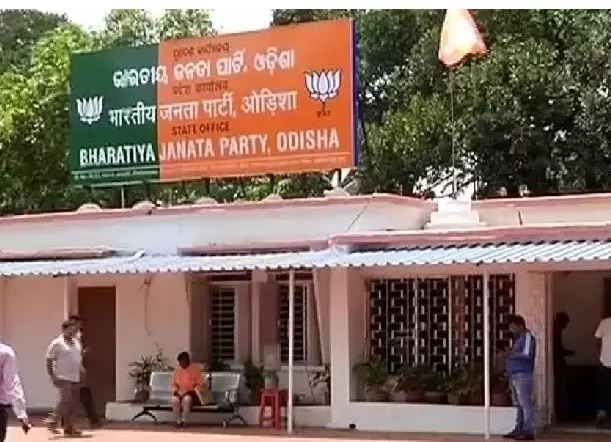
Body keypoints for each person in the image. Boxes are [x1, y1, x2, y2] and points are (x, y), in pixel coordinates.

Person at [45, 319, 83, 436]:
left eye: (74, 330)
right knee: (64, 400)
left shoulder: (76, 343)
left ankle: (69, 427)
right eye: (70, 329)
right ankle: (52, 421)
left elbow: (77, 358)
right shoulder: (57, 343)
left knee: (73, 404)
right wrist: (52, 376)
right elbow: (49, 359)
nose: (73, 332)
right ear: (64, 329)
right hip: (62, 376)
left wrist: (82, 370)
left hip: (75, 377)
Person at [504, 314, 536, 440]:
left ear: (520, 326)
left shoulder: (527, 337)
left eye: (513, 327)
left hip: (523, 374)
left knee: (525, 403)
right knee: (518, 404)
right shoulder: (519, 339)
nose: (511, 330)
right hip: (515, 374)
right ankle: (519, 428)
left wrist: (510, 354)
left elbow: (527, 354)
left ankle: (528, 430)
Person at [69, 315, 100, 428]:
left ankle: (93, 419)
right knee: (72, 396)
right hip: (71, 370)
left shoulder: (78, 335)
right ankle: (64, 421)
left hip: (78, 369)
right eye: (79, 323)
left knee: (83, 394)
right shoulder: (69, 337)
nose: (81, 325)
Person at [0, 342, 31, 442]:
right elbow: (11, 383)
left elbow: (11, 383)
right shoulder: (5, 352)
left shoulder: (5, 353)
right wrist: (21, 414)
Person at [171, 352, 203, 427]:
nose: (180, 364)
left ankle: (184, 420)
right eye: (179, 362)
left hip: (192, 394)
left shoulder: (195, 370)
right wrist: (176, 390)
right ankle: (178, 421)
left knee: (186, 400)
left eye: (182, 362)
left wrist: (192, 391)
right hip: (179, 393)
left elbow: (200, 384)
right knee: (174, 400)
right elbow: (174, 384)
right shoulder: (177, 371)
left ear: (187, 361)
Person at [553, 311, 573, 421]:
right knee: (560, 389)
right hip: (558, 364)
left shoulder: (556, 331)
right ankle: (561, 414)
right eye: (565, 323)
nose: (566, 326)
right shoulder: (555, 332)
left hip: (558, 363)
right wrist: (566, 353)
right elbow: (557, 350)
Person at [594, 314, 611, 426]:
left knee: (604, 390)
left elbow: (597, 340)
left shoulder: (604, 323)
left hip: (605, 361)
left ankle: (602, 413)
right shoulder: (604, 323)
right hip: (605, 362)